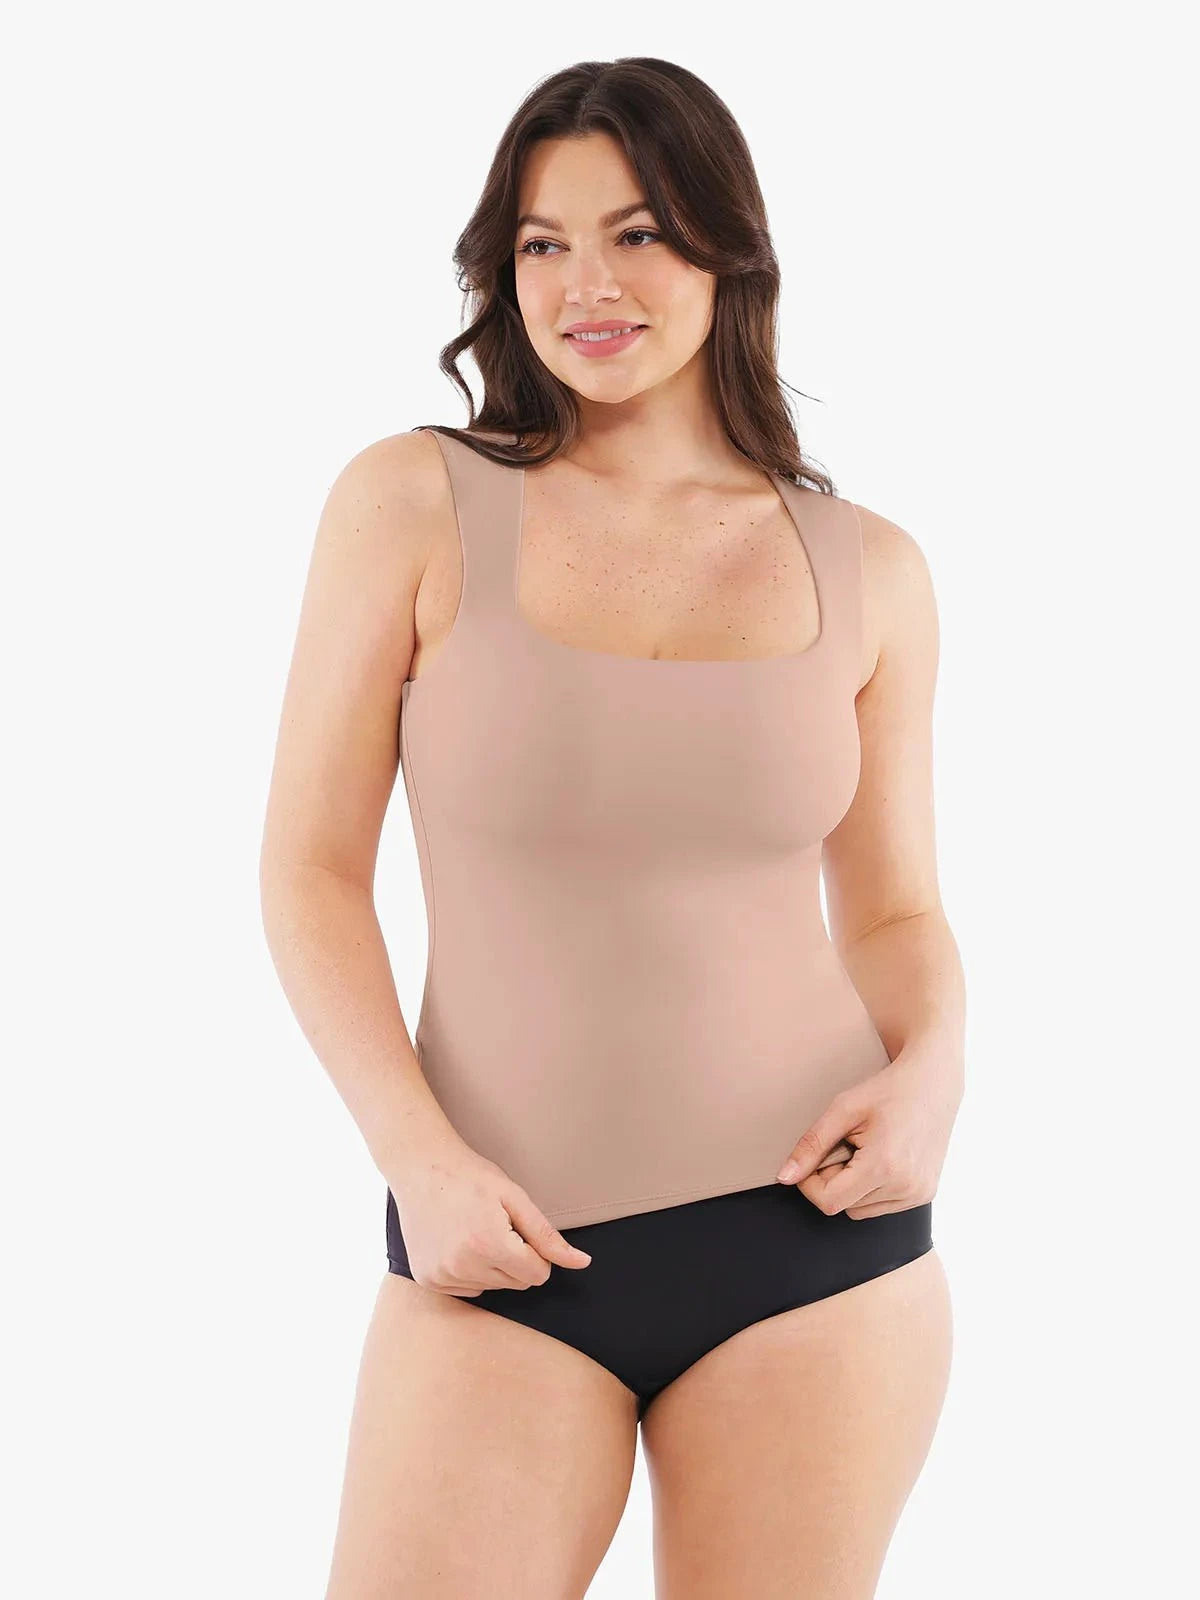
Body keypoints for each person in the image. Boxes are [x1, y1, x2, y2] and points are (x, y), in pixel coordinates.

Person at [260, 56, 965, 1600]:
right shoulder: (413, 502)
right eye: (543, 242)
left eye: (637, 233)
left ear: (728, 248)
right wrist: (418, 1160)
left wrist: (938, 1070)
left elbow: (896, 909)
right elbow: (309, 872)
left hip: (815, 1251)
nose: (586, 283)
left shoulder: (875, 571)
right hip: (498, 1242)